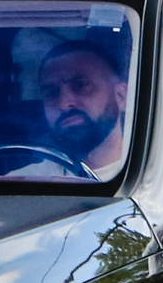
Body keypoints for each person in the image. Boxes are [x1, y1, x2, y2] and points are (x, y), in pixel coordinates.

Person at [28, 38, 130, 178]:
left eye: (81, 85)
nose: (63, 104)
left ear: (121, 96)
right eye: (52, 92)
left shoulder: (155, 181)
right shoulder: (21, 184)